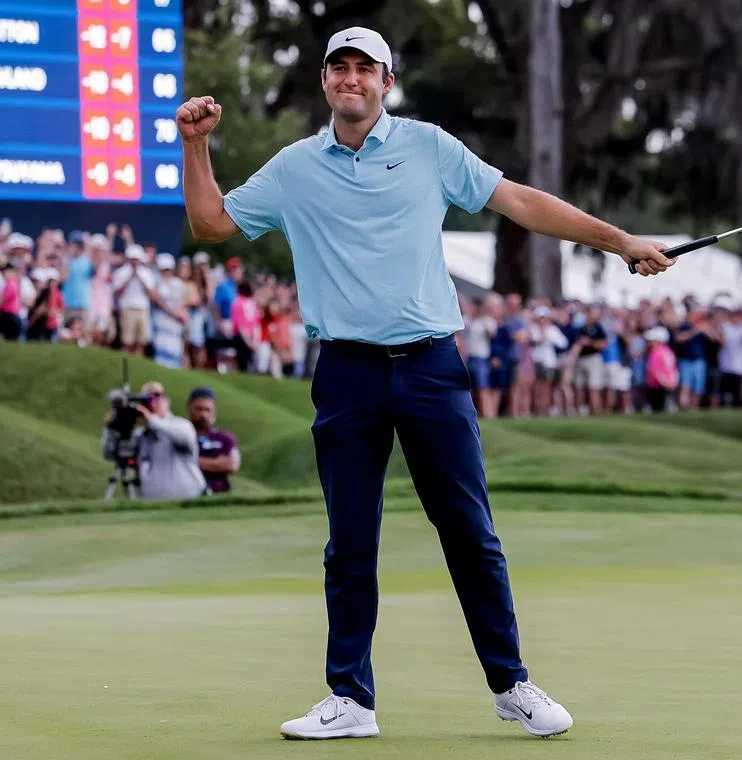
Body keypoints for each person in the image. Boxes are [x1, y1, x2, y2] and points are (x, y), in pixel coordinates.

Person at [176, 25, 672, 741]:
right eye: (339, 67)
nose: (351, 78)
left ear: (387, 81)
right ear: (325, 81)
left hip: (431, 366)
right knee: (350, 542)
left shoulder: (429, 147)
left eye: (365, 68)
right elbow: (210, 224)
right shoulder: (294, 168)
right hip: (346, 371)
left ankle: (511, 684)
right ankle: (350, 699)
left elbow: (521, 202)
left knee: (469, 531)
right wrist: (196, 146)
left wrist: (620, 240)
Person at [101, 381, 208, 500]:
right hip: (154, 504)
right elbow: (110, 454)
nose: (151, 404)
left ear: (167, 402)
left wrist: (151, 420)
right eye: (146, 401)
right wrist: (112, 429)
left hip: (190, 500)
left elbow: (184, 438)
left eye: (156, 398)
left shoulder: (181, 425)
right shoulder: (140, 436)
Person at [186, 386, 240, 493]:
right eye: (198, 409)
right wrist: (215, 462)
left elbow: (231, 465)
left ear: (214, 411)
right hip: (187, 493)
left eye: (207, 410)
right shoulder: (180, 435)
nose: (203, 415)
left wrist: (189, 461)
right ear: (189, 407)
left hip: (218, 494)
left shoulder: (225, 438)